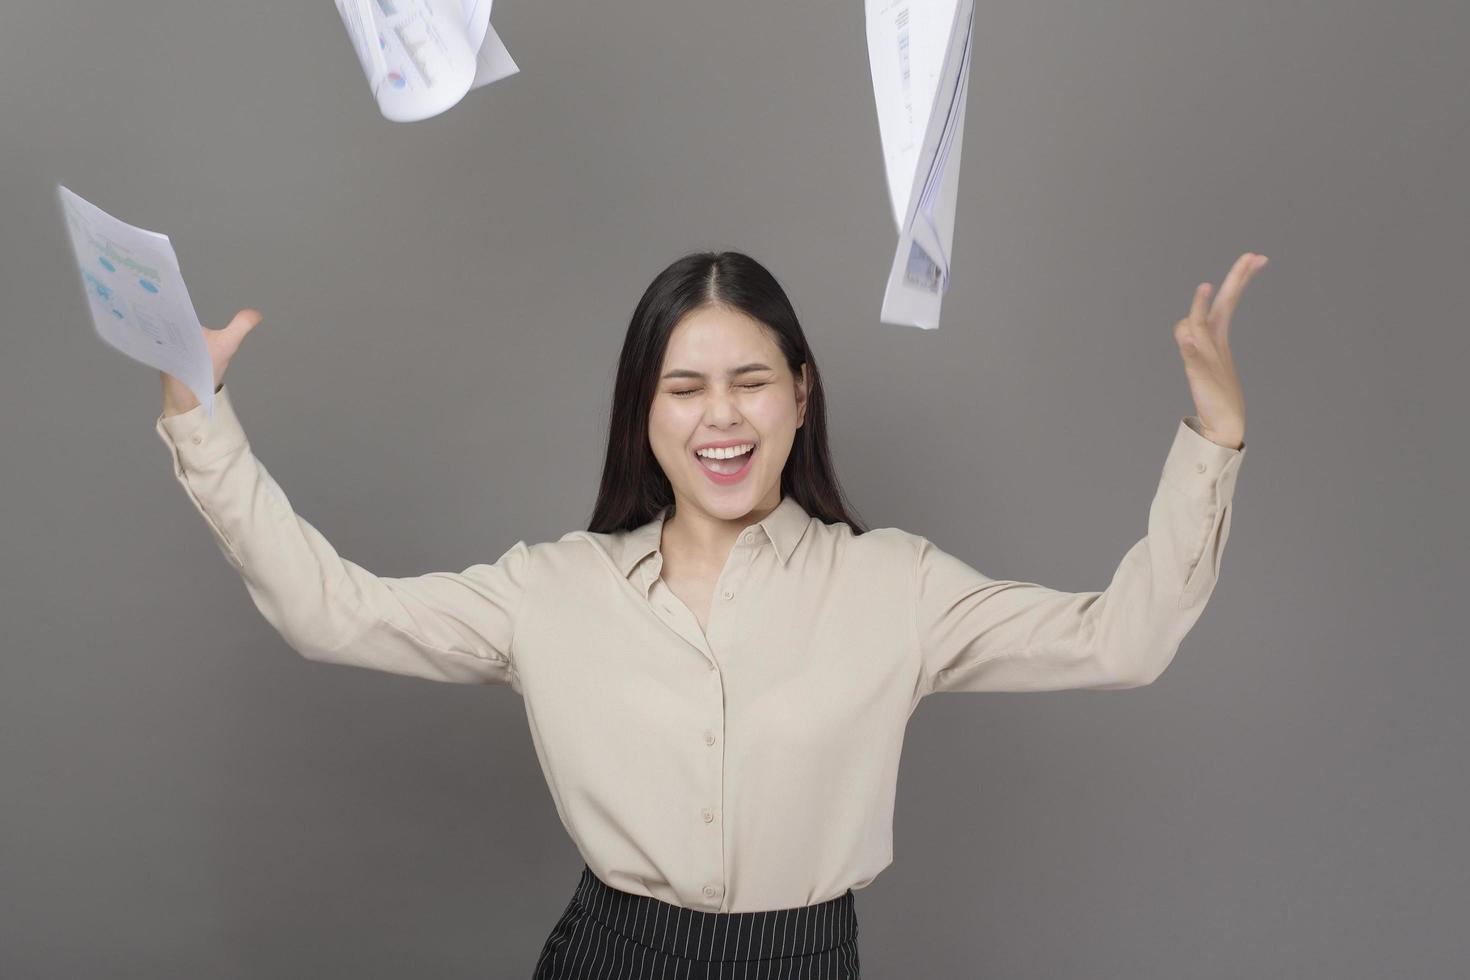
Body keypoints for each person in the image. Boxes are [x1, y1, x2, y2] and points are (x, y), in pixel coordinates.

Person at [155, 249, 1262, 978]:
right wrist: (202, 420)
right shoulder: (554, 588)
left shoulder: (897, 585)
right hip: (611, 951)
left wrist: (1212, 434)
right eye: (684, 386)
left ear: (800, 393)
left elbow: (1127, 638)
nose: (720, 416)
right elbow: (329, 612)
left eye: (750, 380)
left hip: (807, 956)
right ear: (644, 411)